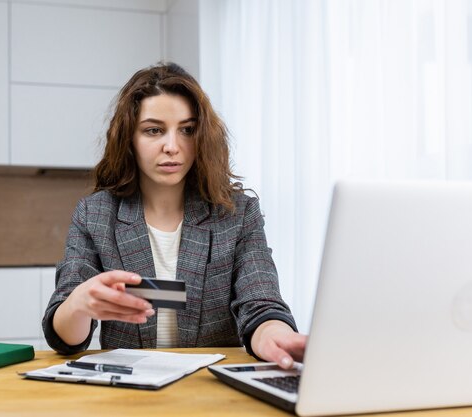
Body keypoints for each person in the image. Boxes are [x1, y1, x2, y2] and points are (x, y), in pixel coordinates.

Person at [43, 62, 306, 369]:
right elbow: (65, 338)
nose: (172, 146)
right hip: (128, 392)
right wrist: (78, 305)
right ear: (129, 138)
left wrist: (273, 334)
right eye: (154, 130)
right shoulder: (95, 214)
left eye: (187, 130)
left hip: (210, 390)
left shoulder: (237, 213)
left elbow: (260, 302)